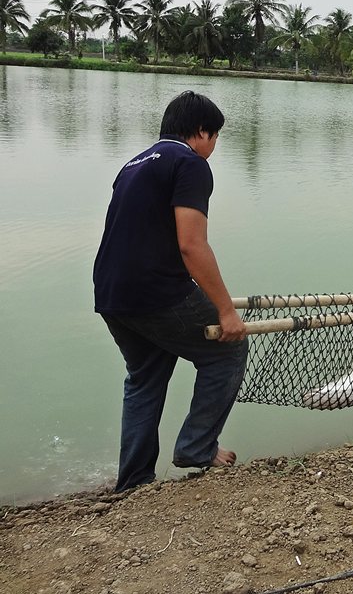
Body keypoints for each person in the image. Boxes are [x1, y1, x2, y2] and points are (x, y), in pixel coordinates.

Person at [93, 91, 249, 493]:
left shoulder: (133, 164)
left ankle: (134, 481)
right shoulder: (191, 164)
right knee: (228, 350)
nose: (214, 148)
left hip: (111, 293)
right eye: (215, 138)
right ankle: (197, 447)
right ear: (201, 132)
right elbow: (191, 245)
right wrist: (225, 312)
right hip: (156, 290)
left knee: (145, 378)